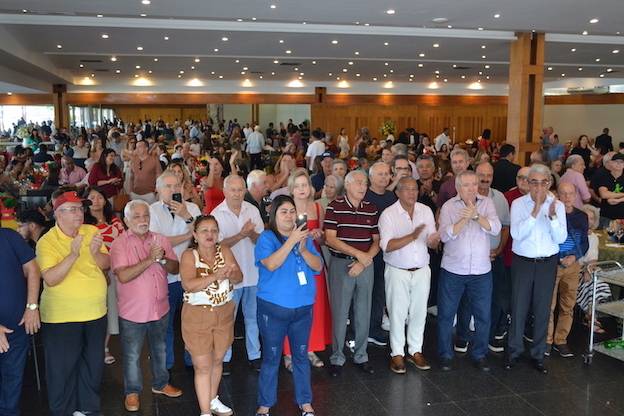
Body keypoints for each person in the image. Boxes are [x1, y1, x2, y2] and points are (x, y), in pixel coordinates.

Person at [36, 190, 110, 415]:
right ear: (58, 214)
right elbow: (50, 279)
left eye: (80, 208)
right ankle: (64, 412)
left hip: (96, 312)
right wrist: (73, 254)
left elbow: (106, 263)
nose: (80, 213)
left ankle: (87, 410)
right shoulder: (47, 241)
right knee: (62, 370)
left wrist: (95, 253)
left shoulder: (91, 230)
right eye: (73, 209)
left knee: (93, 366)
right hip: (62, 317)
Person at [110, 200, 183, 412]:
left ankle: (160, 384)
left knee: (160, 349)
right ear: (126, 221)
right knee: (132, 355)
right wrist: (151, 259)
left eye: (146, 216)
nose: (143, 220)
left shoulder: (160, 239)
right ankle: (132, 392)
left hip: (160, 307)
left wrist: (163, 259)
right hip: (133, 311)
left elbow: (175, 268)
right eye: (137, 216)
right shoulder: (119, 244)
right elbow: (123, 276)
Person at [254, 195, 322, 416]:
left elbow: (318, 266)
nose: (289, 215)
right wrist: (291, 241)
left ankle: (305, 401)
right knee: (271, 358)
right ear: (274, 215)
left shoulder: (304, 238)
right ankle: (265, 404)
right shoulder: (266, 238)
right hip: (273, 309)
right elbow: (271, 264)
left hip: (302, 309)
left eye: (292, 211)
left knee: (301, 356)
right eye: (284, 211)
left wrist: (303, 249)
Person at [437, 170, 502, 371]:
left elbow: (495, 228)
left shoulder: (487, 203)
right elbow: (444, 235)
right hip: (453, 270)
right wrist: (465, 218)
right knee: (446, 314)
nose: (472, 188)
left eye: (474, 184)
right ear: (458, 187)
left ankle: (479, 354)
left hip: (481, 271)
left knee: (483, 315)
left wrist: (476, 216)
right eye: (466, 185)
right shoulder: (449, 206)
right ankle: (445, 355)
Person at [507, 164, 567, 374]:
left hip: (547, 263)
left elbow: (561, 238)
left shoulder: (557, 205)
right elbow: (516, 234)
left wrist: (552, 217)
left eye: (543, 182)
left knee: (543, 309)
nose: (539, 187)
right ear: (527, 183)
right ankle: (514, 352)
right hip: (523, 262)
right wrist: (535, 212)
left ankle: (538, 355)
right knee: (518, 307)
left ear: (549, 183)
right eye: (534, 182)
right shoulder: (518, 204)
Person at [379, 178, 439, 374]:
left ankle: (415, 351)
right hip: (398, 271)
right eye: (407, 189)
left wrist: (435, 240)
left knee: (419, 312)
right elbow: (387, 245)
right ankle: (397, 353)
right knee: (397, 313)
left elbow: (430, 240)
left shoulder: (425, 211)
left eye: (415, 189)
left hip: (421, 269)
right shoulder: (388, 214)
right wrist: (412, 236)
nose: (412, 193)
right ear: (397, 192)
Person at [325, 170, 380, 377]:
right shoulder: (335, 206)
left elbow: (377, 241)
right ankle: (337, 357)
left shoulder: (371, 208)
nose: (362, 187)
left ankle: (361, 355)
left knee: (363, 311)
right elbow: (330, 239)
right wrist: (358, 255)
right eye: (358, 182)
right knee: (340, 313)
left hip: (365, 265)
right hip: (341, 264)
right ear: (347, 185)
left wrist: (364, 260)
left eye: (365, 183)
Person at [211, 175, 264, 375]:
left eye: (240, 189)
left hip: (253, 274)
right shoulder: (217, 214)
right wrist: (241, 235)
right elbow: (215, 246)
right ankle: (224, 358)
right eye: (232, 190)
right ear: (224, 191)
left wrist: (251, 234)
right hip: (230, 276)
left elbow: (261, 240)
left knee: (253, 318)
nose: (236, 194)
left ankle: (255, 355)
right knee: (227, 320)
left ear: (245, 191)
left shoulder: (252, 210)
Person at [149, 171, 202, 370]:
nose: (173, 190)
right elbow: (158, 243)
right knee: (167, 322)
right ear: (158, 189)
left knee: (192, 321)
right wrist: (188, 235)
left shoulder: (192, 208)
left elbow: (203, 236)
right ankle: (167, 363)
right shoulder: (152, 210)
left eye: (176, 186)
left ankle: (191, 358)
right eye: (168, 186)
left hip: (191, 274)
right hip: (164, 275)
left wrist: (187, 216)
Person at [283, 169, 332, 370]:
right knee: (292, 307)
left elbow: (324, 239)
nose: (302, 189)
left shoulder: (318, 208)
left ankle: (310, 348)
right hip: (292, 261)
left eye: (305, 185)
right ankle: (289, 353)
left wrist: (319, 235)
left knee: (314, 306)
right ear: (291, 189)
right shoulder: (286, 209)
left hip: (313, 262)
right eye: (297, 186)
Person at [83, 187, 126, 366]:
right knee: (96, 309)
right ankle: (92, 346)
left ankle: (104, 346)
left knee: (110, 309)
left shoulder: (114, 221)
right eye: (92, 197)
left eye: (100, 197)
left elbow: (125, 243)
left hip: (114, 269)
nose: (96, 200)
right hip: (92, 271)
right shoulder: (84, 225)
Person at [0, 228, 40, 416]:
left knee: (13, 380)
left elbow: (33, 268)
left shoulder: (8, 236)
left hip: (17, 325)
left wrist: (32, 306)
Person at [546, 182, 588, 358]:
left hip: (573, 265)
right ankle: (547, 341)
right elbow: (546, 239)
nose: (567, 197)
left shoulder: (582, 216)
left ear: (576, 195)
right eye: (563, 193)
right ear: (557, 195)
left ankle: (561, 340)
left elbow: (585, 242)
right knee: (548, 305)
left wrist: (574, 257)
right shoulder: (551, 214)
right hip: (553, 264)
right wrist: (558, 259)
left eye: (571, 193)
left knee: (568, 305)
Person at [474, 163, 511, 353]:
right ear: (475, 174)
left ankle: (489, 337)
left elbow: (505, 227)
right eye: (482, 174)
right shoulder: (466, 196)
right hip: (472, 260)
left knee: (496, 298)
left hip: (494, 257)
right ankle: (466, 337)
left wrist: (499, 249)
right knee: (471, 300)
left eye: (489, 175)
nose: (485, 178)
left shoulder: (500, 198)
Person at [364, 162, 397, 346]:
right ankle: (361, 329)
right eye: (380, 174)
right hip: (367, 250)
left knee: (380, 291)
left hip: (387, 251)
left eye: (387, 174)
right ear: (371, 177)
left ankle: (374, 328)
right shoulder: (364, 196)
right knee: (365, 292)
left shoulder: (391, 196)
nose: (384, 177)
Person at [130, 139, 162, 204]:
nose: (137, 149)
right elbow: (132, 176)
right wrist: (130, 190)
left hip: (150, 194)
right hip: (135, 193)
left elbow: (159, 175)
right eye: (136, 147)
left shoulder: (154, 160)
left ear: (146, 148)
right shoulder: (134, 160)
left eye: (139, 147)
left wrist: (157, 191)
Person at [595, 153, 624, 222]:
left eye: (621, 162)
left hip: (622, 216)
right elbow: (604, 194)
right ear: (611, 163)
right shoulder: (604, 176)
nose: (618, 164)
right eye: (616, 161)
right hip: (606, 216)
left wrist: (618, 200)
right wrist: (623, 194)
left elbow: (607, 193)